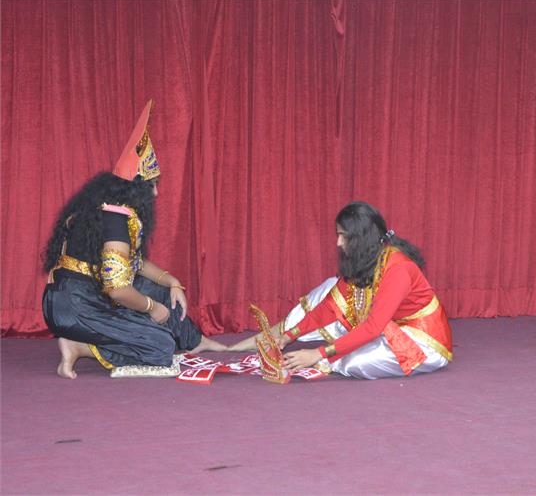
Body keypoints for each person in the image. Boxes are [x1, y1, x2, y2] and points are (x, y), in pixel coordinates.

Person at [42, 100, 225, 379]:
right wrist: (153, 308)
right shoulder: (115, 220)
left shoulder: (110, 209)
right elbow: (117, 290)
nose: (156, 194)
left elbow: (134, 265)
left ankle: (195, 341)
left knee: (160, 291)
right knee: (160, 346)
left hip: (87, 294)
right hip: (75, 306)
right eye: (151, 186)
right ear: (135, 189)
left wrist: (172, 282)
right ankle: (79, 347)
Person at [230, 201, 453, 379]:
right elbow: (329, 307)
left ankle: (329, 361)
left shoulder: (398, 269)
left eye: (343, 236)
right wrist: (288, 336)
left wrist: (317, 354)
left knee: (353, 363)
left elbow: (373, 328)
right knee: (345, 337)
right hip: (389, 330)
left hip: (422, 342)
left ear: (361, 239)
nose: (338, 243)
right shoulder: (367, 260)